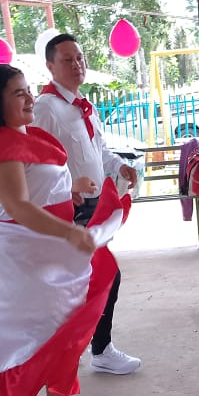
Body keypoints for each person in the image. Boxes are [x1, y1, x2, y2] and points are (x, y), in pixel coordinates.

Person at [0, 63, 127, 396]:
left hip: (54, 250)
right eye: (18, 93)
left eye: (28, 90)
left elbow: (36, 185)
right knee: (28, 337)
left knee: (71, 327)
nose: (29, 98)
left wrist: (71, 188)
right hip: (27, 257)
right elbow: (18, 206)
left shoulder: (28, 134)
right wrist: (71, 233)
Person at [32, 33, 141, 375]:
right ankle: (90, 350)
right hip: (69, 210)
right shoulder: (45, 108)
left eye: (79, 57)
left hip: (93, 206)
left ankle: (87, 348)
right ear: (50, 66)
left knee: (95, 278)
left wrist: (118, 166)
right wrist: (65, 190)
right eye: (67, 59)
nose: (77, 64)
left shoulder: (82, 105)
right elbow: (35, 163)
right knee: (99, 277)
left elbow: (99, 151)